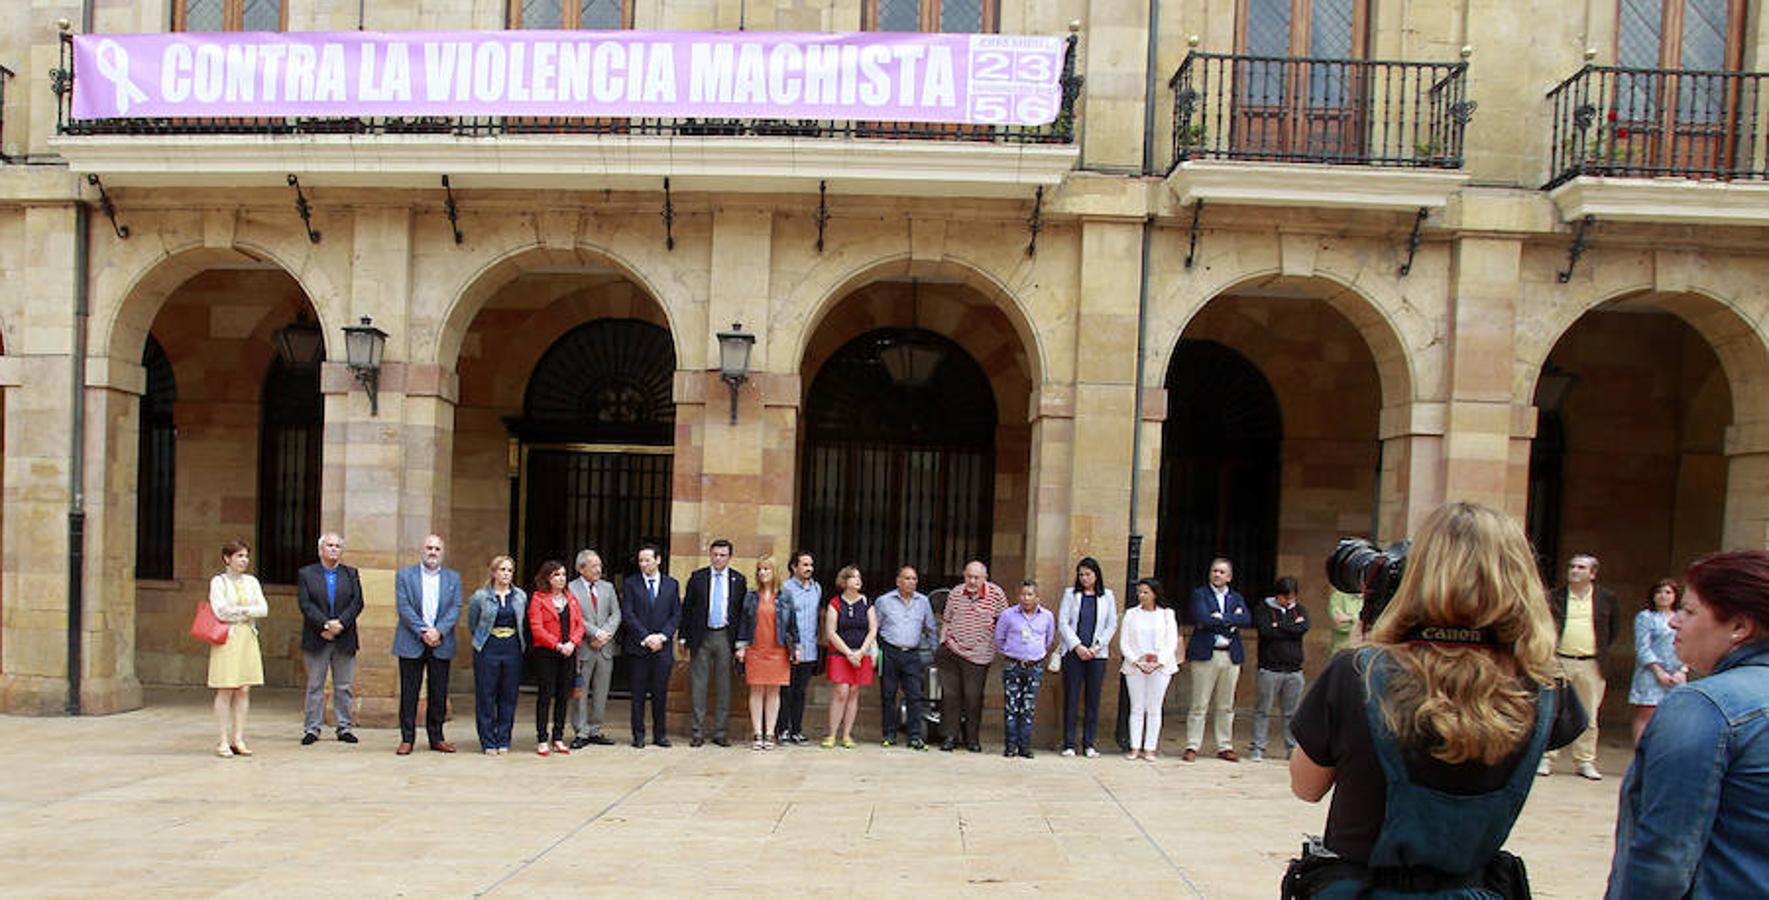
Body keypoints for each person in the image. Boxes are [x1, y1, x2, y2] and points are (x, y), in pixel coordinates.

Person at [1286, 501, 1586, 898]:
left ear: (1422, 573)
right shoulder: (1546, 685)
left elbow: (1306, 786)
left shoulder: (1358, 673)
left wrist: (1371, 647)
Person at [1606, 549, 1769, 899]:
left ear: (1739, 627)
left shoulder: (1703, 706)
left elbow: (1664, 856)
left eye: (1690, 611)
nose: (1674, 621)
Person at [1540, 553, 1619, 780]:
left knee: (1590, 714)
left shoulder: (1606, 598)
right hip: (1560, 661)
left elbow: (1612, 631)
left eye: (1581, 567)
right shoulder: (1556, 596)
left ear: (1592, 574)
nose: (1574, 570)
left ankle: (1584, 760)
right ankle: (1546, 757)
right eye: (1572, 566)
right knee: (1553, 710)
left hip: (1591, 663)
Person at [392, 534, 463, 755]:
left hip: (441, 641)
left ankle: (437, 737)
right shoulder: (405, 575)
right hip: (411, 640)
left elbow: (456, 607)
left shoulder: (453, 578)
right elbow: (403, 607)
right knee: (409, 692)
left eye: (437, 549)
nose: (433, 552)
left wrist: (438, 631)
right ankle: (407, 738)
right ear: (422, 550)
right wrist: (423, 631)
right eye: (429, 548)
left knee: (438, 692)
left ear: (443, 552)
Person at [295, 532, 365, 745]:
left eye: (337, 546)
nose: (334, 549)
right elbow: (305, 604)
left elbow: (357, 602)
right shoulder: (307, 574)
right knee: (315, 685)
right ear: (320, 550)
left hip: (344, 638)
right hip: (317, 637)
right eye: (330, 545)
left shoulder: (350, 574)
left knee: (344, 685)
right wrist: (325, 624)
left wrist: (339, 624)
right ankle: (312, 728)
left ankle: (344, 727)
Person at [938, 560, 1011, 752]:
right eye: (969, 576)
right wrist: (942, 642)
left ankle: (972, 739)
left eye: (976, 577)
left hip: (979, 655)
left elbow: (1005, 621)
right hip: (952, 650)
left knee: (973, 697)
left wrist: (996, 645)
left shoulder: (996, 594)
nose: (972, 581)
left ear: (985, 578)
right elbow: (946, 619)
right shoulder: (955, 592)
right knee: (950, 696)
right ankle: (950, 737)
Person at [1184, 557, 1251, 762]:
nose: (1217, 575)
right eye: (1214, 571)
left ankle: (1224, 745)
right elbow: (1202, 618)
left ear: (1229, 577)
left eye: (1222, 572)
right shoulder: (1200, 594)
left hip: (1230, 655)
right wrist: (1230, 620)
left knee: (1226, 704)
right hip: (1207, 654)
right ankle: (1192, 744)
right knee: (1199, 703)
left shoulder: (1236, 597)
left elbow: (1246, 619)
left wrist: (1220, 618)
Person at [682, 538, 747, 747]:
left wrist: (741, 643)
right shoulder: (698, 577)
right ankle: (697, 731)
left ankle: (720, 732)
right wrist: (683, 637)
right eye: (715, 554)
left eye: (723, 555)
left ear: (729, 557)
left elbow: (741, 613)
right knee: (699, 684)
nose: (718, 558)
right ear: (710, 555)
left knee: (724, 686)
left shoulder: (739, 579)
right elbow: (687, 608)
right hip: (701, 635)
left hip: (725, 636)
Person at [208, 539, 268, 758]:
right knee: (226, 687)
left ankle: (238, 738)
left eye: (246, 556)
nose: (244, 560)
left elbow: (262, 609)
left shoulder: (252, 582)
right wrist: (246, 610)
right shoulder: (219, 582)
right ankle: (222, 739)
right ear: (227, 558)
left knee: (244, 688)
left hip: (247, 636)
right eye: (239, 556)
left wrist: (239, 611)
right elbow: (220, 611)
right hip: (228, 637)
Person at [620, 544, 681, 748]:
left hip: (662, 648)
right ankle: (638, 734)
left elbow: (676, 615)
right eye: (641, 561)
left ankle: (660, 734)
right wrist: (646, 637)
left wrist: (662, 636)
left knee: (660, 693)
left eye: (647, 560)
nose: (643, 564)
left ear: (658, 560)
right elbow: (628, 614)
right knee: (637, 693)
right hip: (639, 647)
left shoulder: (671, 584)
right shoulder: (630, 584)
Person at [1058, 557, 1119, 758]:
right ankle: (1069, 743)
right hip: (1074, 653)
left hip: (1097, 654)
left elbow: (1111, 624)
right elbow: (1064, 622)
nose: (1084, 578)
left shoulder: (1107, 596)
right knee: (1072, 697)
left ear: (1096, 575)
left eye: (1088, 574)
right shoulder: (1070, 594)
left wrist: (1097, 646)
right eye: (1081, 574)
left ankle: (1089, 743)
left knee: (1093, 699)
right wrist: (1077, 646)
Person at [466, 555, 527, 754]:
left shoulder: (520, 596)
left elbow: (522, 622)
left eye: (509, 570)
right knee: (486, 695)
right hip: (488, 647)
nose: (506, 574)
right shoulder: (480, 597)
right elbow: (472, 623)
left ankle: (504, 738)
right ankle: (488, 740)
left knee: (508, 696)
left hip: (512, 648)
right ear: (493, 572)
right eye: (502, 570)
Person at [736, 554, 797, 750]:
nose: (762, 573)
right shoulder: (751, 596)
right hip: (755, 648)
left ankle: (770, 733)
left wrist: (797, 647)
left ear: (774, 572)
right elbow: (744, 623)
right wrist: (741, 647)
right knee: (756, 689)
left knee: (774, 690)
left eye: (766, 569)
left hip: (778, 649)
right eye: (759, 569)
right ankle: (757, 733)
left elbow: (792, 625)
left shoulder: (785, 595)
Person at [875, 565, 938, 750]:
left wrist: (935, 653)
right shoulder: (884, 601)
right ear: (898, 581)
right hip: (890, 651)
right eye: (907, 578)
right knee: (888, 694)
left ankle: (915, 736)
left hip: (912, 653)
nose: (911, 582)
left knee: (915, 695)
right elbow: (874, 628)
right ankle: (889, 734)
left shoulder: (923, 601)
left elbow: (931, 628)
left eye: (914, 579)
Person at [527, 560, 584, 756]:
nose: (561, 578)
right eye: (556, 575)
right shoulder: (538, 598)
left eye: (563, 575)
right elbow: (537, 628)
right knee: (545, 694)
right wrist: (557, 644)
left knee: (563, 695)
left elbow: (579, 625)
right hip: (547, 653)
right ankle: (542, 738)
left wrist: (572, 643)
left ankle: (558, 737)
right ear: (547, 578)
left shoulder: (571, 598)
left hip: (568, 652)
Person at [995, 579, 1056, 759]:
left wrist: (1035, 654)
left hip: (1034, 666)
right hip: (1013, 664)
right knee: (1011, 706)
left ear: (1037, 597)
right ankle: (1010, 745)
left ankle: (1025, 746)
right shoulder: (1008, 615)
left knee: (1028, 708)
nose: (1026, 598)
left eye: (1030, 595)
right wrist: (1012, 652)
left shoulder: (1047, 616)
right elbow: (999, 639)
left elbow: (1049, 639)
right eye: (1023, 594)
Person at [1251, 575, 1310, 762]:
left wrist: (1280, 626)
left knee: (1292, 712)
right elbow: (1267, 631)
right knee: (1263, 710)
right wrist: (1288, 628)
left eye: (1292, 597)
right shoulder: (1263, 609)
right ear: (1278, 596)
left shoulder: (1300, 610)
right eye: (1285, 598)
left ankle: (1291, 748)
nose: (1288, 601)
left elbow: (1303, 628)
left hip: (1294, 670)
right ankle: (1258, 747)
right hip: (1270, 669)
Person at [1120, 578, 1179, 761]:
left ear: (1154, 594)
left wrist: (1159, 662)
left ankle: (1150, 747)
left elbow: (1171, 641)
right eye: (1140, 592)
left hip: (1160, 667)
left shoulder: (1166, 614)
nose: (1142, 596)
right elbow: (1124, 642)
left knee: (1154, 707)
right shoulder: (1131, 614)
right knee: (1137, 706)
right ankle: (1135, 746)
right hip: (1136, 665)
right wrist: (1136, 660)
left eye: (1146, 592)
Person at [567, 549, 620, 749]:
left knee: (601, 690)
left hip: (605, 648)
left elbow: (616, 614)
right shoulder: (571, 589)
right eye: (594, 566)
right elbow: (576, 616)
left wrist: (605, 634)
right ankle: (581, 731)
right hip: (584, 648)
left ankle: (596, 729)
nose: (599, 569)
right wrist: (595, 633)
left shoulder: (607, 587)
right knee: (580, 691)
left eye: (599, 565)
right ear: (581, 569)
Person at [822, 565, 878, 749]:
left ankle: (847, 735)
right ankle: (831, 734)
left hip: (862, 654)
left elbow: (873, 629)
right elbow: (831, 632)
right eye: (854, 577)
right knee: (841, 692)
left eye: (859, 577)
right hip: (840, 654)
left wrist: (861, 652)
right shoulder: (835, 603)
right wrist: (848, 653)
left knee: (854, 693)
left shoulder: (867, 603)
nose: (858, 580)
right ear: (844, 581)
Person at [1627, 578, 1685, 746]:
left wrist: (1682, 670)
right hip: (1651, 673)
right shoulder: (1646, 617)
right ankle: (1641, 752)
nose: (1663, 596)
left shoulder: (1681, 617)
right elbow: (1642, 647)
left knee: (1673, 715)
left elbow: (1689, 643)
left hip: (1676, 673)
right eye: (1659, 592)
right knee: (1647, 714)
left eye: (1668, 592)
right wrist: (1658, 671)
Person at [775, 550, 822, 745]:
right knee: (786, 690)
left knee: (801, 692)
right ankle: (782, 729)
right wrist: (791, 645)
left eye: (810, 565)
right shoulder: (785, 588)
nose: (808, 568)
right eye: (804, 565)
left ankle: (797, 729)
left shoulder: (816, 588)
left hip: (810, 648)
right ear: (794, 567)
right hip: (790, 648)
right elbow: (782, 621)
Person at [1327, 589, 1364, 654]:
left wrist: (1351, 619)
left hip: (1365, 651)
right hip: (1342, 650)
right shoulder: (1338, 595)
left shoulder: (1375, 596)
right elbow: (1340, 626)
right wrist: (1360, 620)